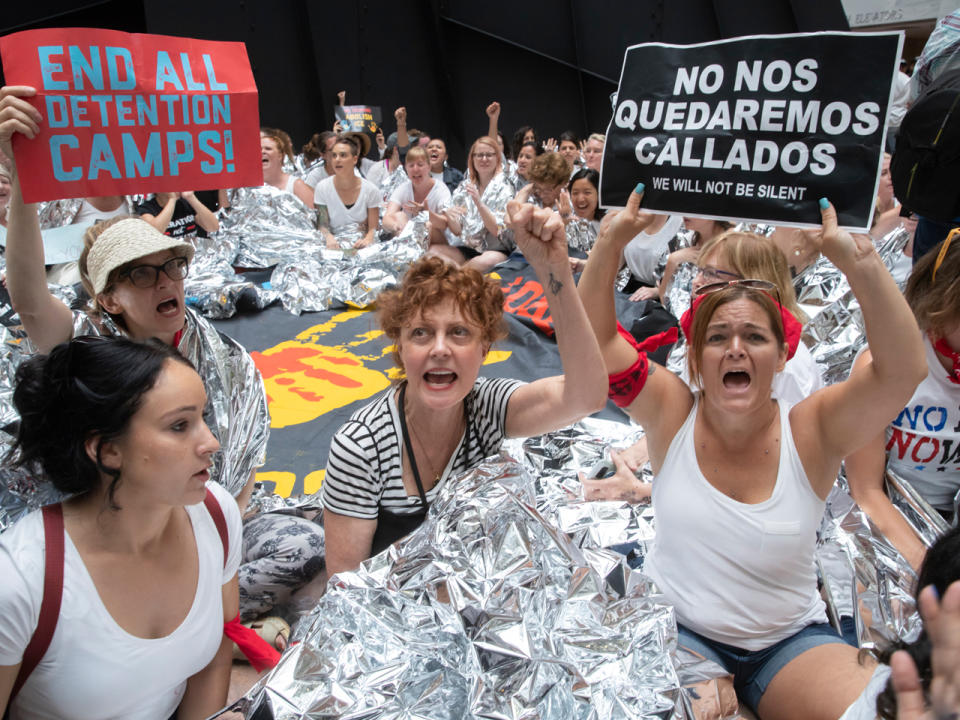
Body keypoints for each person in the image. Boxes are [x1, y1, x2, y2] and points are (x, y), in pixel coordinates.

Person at [577, 185, 927, 718]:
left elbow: (903, 370)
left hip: (788, 643)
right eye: (717, 337)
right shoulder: (672, 413)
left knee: (892, 708)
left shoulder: (812, 429)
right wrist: (609, 243)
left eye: (753, 337)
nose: (735, 348)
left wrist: (859, 260)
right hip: (681, 634)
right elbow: (595, 344)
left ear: (783, 354)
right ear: (694, 356)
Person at [0, 84, 310, 650]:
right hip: (117, 533)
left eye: (171, 265)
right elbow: (26, 292)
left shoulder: (221, 355)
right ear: (109, 298)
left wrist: (209, 540)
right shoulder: (83, 348)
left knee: (305, 546)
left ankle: (192, 612)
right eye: (141, 273)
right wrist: (23, 177)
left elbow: (236, 474)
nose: (166, 280)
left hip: (207, 528)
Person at [321, 202, 607, 574]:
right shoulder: (361, 446)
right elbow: (343, 590)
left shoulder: (489, 407)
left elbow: (586, 396)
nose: (440, 349)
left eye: (459, 332)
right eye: (421, 333)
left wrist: (554, 270)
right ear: (401, 349)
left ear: (484, 349)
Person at [0, 336, 239, 719]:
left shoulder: (215, 514)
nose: (211, 442)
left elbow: (215, 654)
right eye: (180, 425)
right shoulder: (19, 580)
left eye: (203, 418)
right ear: (107, 451)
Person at [845, 233, 960, 570]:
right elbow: (865, 492)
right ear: (943, 303)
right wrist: (930, 571)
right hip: (889, 522)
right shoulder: (884, 364)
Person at [434, 136, 517, 272]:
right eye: (479, 155)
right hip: (469, 249)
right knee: (434, 252)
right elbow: (457, 231)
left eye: (489, 155)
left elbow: (497, 230)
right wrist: (450, 216)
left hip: (496, 250)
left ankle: (455, 279)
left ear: (497, 158)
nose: (484, 159)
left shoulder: (506, 187)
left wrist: (479, 204)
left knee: (481, 262)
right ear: (472, 159)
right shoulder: (465, 186)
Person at [313, 134, 381, 249]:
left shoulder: (371, 190)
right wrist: (329, 238)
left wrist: (367, 240)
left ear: (355, 159)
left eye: (343, 155)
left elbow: (372, 229)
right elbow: (323, 226)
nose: (337, 160)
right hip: (335, 245)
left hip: (362, 245)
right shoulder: (322, 187)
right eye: (334, 156)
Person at [382, 146, 451, 242]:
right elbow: (386, 218)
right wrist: (396, 226)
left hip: (437, 241)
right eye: (411, 165)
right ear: (406, 168)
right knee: (399, 216)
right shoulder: (403, 188)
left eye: (420, 165)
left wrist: (426, 214)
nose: (415, 169)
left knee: (426, 225)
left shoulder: (441, 190)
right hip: (410, 239)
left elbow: (445, 223)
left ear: (429, 167)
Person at [258, 127, 314, 208]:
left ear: (280, 155)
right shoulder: (252, 188)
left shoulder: (296, 185)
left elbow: (317, 217)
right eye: (259, 149)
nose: (263, 152)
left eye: (268, 149)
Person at [137, 190, 220, 238]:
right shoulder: (146, 208)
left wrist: (191, 198)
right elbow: (155, 232)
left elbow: (213, 227)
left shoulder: (185, 203)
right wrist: (172, 200)